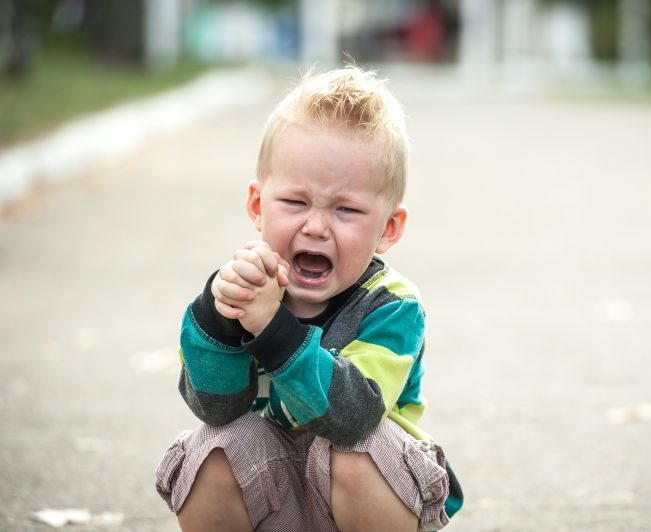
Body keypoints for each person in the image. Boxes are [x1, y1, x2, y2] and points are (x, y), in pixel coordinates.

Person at [155, 66, 463, 531]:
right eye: (296, 202)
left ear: (389, 229)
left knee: (353, 455)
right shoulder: (243, 289)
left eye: (347, 209)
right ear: (258, 206)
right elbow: (214, 407)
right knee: (216, 448)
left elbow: (352, 417)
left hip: (362, 501)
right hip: (271, 497)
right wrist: (219, 318)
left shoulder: (392, 306)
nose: (316, 226)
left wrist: (273, 330)